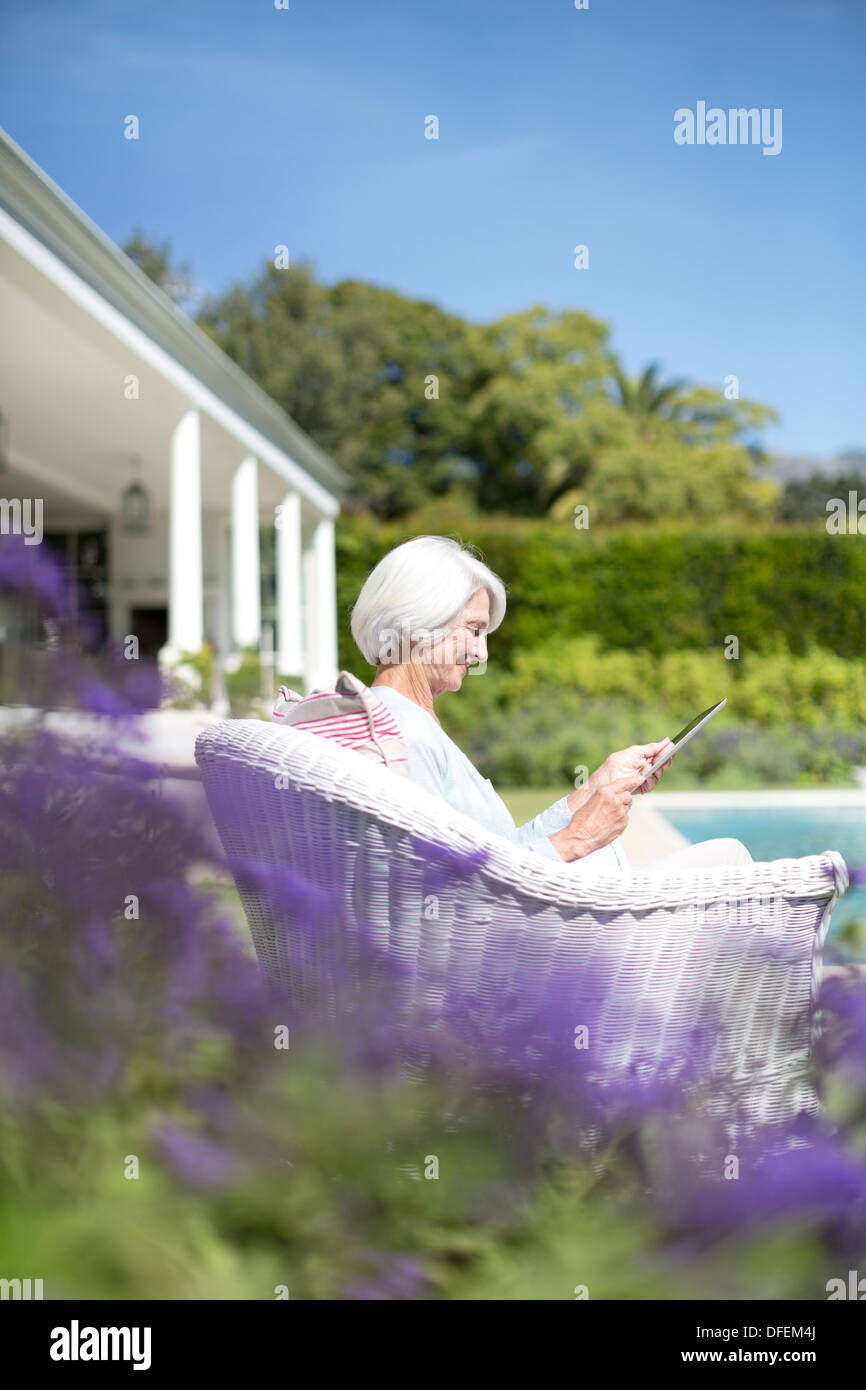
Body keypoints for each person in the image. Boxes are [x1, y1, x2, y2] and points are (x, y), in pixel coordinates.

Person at [350, 535, 752, 876]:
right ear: (420, 620)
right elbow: (449, 886)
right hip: (519, 954)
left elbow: (504, 851)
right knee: (729, 861)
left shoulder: (404, 721)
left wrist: (596, 785)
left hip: (526, 933)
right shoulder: (399, 737)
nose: (481, 654)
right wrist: (579, 838)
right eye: (474, 630)